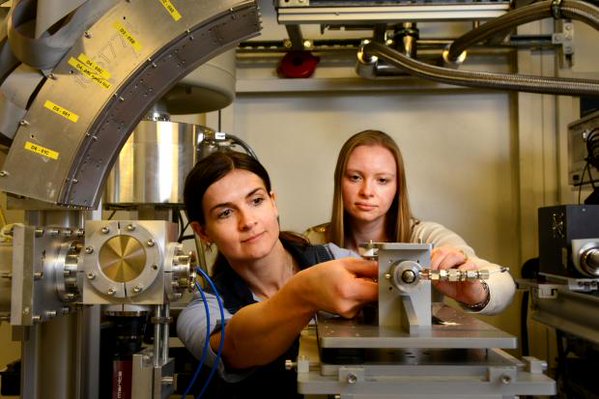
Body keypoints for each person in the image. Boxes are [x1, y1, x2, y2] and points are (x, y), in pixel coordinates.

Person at [177, 150, 378, 398]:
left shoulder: (335, 259)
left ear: (273, 202)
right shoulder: (203, 310)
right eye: (225, 213)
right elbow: (237, 346)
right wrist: (304, 293)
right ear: (202, 232)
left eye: (256, 201)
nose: (248, 221)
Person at [305, 129, 515, 314]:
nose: (367, 192)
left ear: (398, 187)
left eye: (382, 180)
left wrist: (476, 292)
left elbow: (503, 283)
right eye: (355, 177)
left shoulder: (428, 237)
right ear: (339, 181)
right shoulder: (312, 241)